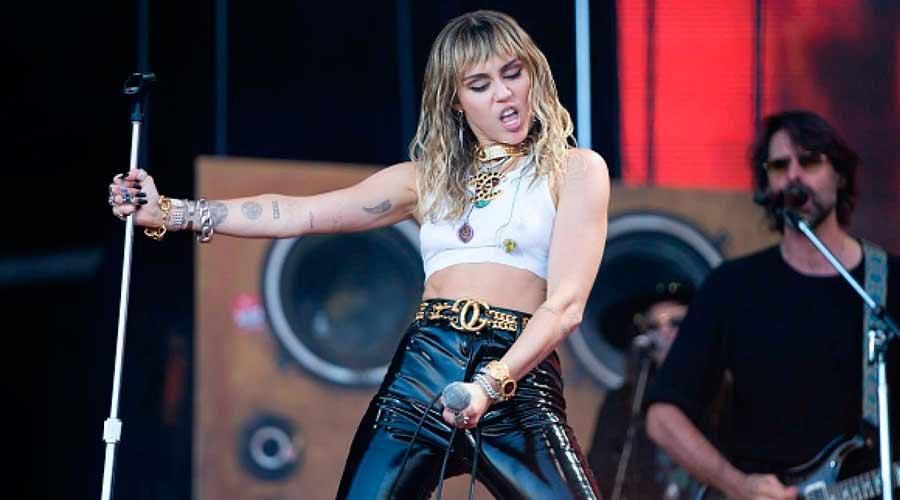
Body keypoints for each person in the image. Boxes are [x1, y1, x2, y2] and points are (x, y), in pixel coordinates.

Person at [108, 10, 608, 500]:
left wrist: (489, 384)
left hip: (516, 379)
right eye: (480, 85)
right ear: (455, 101)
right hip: (423, 374)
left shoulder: (574, 170)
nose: (503, 93)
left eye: (512, 74)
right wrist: (173, 211)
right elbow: (300, 214)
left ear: (533, 74)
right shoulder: (426, 180)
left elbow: (565, 306)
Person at [644, 110, 900, 500]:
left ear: (840, 175)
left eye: (809, 161)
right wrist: (737, 485)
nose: (794, 176)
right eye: (780, 166)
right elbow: (663, 417)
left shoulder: (888, 284)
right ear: (767, 185)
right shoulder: (732, 286)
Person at [587, 281, 711, 499]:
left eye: (676, 323)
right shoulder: (624, 400)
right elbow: (598, 472)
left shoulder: (723, 395)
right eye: (653, 326)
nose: (664, 333)